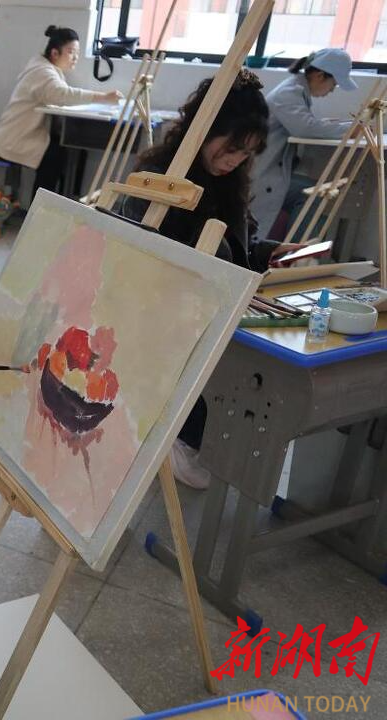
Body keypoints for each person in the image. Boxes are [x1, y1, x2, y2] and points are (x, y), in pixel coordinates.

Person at [121, 69, 296, 489]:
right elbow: (143, 262)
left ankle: (200, 435)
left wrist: (268, 252)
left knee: (262, 356)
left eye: (247, 152)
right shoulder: (161, 177)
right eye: (232, 146)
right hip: (163, 311)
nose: (235, 158)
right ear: (205, 129)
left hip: (214, 300)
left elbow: (237, 244)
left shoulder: (229, 181)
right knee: (216, 360)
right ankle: (179, 433)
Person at [0, 26, 120, 202]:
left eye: (77, 53)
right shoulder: (42, 72)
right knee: (54, 157)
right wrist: (103, 97)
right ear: (54, 53)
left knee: (59, 152)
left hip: (26, 135)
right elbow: (62, 95)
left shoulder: (45, 68)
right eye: (71, 52)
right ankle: (38, 209)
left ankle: (43, 206)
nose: (75, 58)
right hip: (14, 138)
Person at [250, 48, 358, 242]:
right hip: (261, 175)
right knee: (314, 194)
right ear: (320, 76)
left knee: (315, 191)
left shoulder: (296, 89)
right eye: (334, 84)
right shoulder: (289, 93)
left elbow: (307, 123)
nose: (332, 90)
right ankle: (297, 254)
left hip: (270, 169)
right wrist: (351, 129)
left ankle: (298, 250)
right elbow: (306, 128)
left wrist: (341, 126)